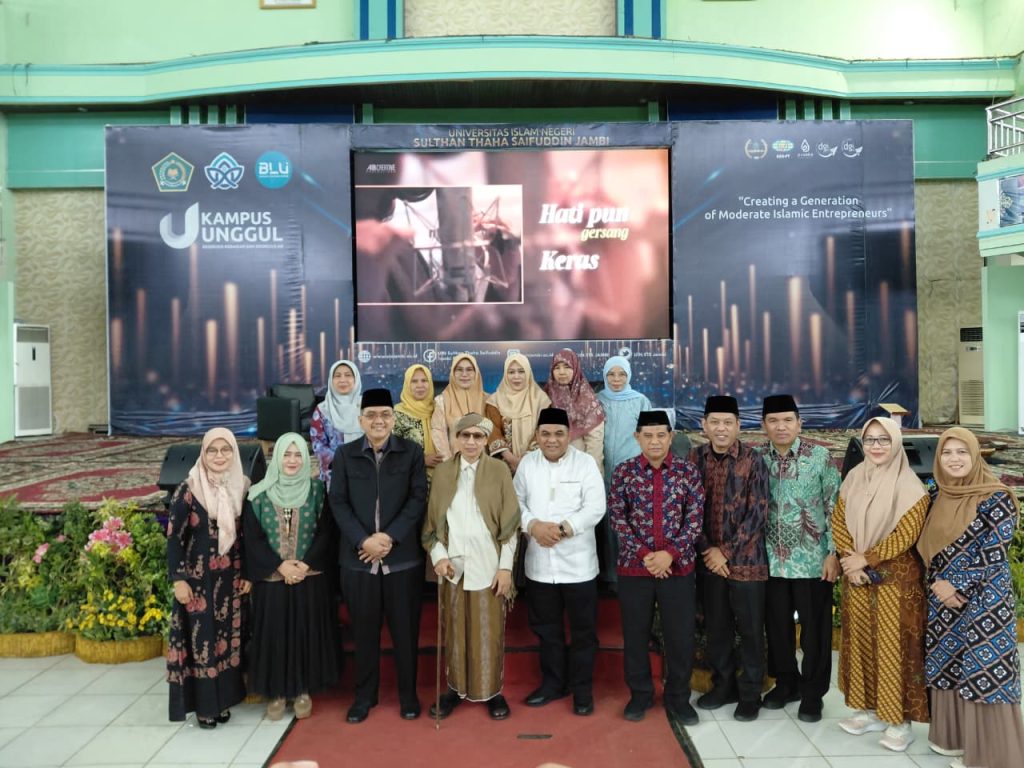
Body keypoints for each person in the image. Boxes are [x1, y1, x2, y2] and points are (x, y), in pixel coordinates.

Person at [917, 427, 1024, 768]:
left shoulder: (997, 497)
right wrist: (939, 584)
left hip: (984, 601)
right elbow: (929, 547)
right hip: (942, 597)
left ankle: (990, 754)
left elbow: (993, 554)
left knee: (984, 670)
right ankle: (953, 739)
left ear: (976, 455)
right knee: (947, 664)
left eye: (962, 452)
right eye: (947, 452)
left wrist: (956, 586)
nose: (954, 459)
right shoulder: (937, 494)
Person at [329, 389, 428, 723]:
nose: (378, 421)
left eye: (385, 414)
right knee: (364, 634)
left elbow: (418, 498)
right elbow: (338, 502)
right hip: (358, 561)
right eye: (371, 415)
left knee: (405, 633)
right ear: (361, 421)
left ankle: (408, 695)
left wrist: (389, 537)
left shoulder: (411, 452)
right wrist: (363, 540)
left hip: (402, 561)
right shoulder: (344, 455)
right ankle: (364, 697)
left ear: (393, 418)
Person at [833, 417, 929, 752]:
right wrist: (849, 560)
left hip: (895, 580)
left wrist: (865, 558)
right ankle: (870, 710)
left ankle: (899, 722)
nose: (876, 446)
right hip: (857, 578)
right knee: (861, 644)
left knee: (893, 648)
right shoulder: (854, 478)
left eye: (883, 439)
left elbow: (905, 535)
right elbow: (839, 520)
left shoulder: (911, 486)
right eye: (870, 440)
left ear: (896, 442)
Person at [608, 410, 705, 725]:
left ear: (671, 436)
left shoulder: (688, 472)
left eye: (661, 435)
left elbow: (694, 519)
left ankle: (678, 697)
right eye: (647, 436)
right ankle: (640, 694)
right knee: (635, 635)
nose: (654, 441)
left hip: (678, 570)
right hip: (634, 570)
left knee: (680, 636)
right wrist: (647, 555)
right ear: (637, 437)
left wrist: (670, 555)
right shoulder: (624, 472)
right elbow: (617, 518)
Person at [423, 412, 520, 721]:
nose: (471, 442)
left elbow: (510, 524)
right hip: (452, 567)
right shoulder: (443, 473)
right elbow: (432, 524)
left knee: (487, 632)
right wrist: (439, 557)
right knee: (454, 631)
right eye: (465, 435)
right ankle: (455, 689)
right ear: (456, 439)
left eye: (478, 436)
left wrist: (505, 568)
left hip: (489, 565)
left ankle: (492, 691)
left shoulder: (498, 470)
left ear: (485, 440)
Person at [514, 407, 606, 716]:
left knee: (583, 632)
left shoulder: (585, 464)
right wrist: (533, 526)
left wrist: (564, 529)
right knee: (547, 630)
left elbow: (596, 507)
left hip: (579, 566)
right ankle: (553, 684)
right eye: (545, 434)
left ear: (569, 435)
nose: (551, 440)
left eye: (558, 433)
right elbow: (516, 502)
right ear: (536, 436)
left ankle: (582, 690)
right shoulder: (527, 464)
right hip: (540, 566)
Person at [244, 433, 340, 721]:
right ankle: (276, 693)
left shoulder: (317, 491)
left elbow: (326, 531)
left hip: (309, 576)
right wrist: (280, 566)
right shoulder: (258, 494)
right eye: (286, 454)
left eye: (298, 455)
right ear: (276, 457)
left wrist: (304, 564)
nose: (292, 460)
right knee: (274, 634)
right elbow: (253, 538)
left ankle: (302, 690)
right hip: (272, 579)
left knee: (304, 633)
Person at [758, 395, 841, 723]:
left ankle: (812, 693)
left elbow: (835, 506)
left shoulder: (819, 457)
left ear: (799, 423)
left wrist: (833, 553)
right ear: (764, 425)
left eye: (787, 420)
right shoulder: (757, 459)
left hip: (813, 562)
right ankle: (786, 684)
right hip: (770, 562)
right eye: (773, 421)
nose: (781, 427)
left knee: (814, 633)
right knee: (777, 628)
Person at [689, 395, 769, 722]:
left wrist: (725, 551)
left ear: (738, 425)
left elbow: (758, 513)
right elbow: (689, 509)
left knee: (750, 631)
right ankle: (722, 686)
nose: (721, 428)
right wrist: (708, 550)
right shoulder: (694, 458)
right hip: (709, 563)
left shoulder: (754, 459)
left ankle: (750, 693)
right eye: (715, 422)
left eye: (727, 422)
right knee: (717, 629)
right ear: (704, 425)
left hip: (747, 563)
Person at [166, 427, 251, 727]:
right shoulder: (189, 489)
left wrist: (248, 574)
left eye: (225, 450)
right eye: (212, 450)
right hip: (197, 583)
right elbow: (174, 538)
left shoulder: (242, 486)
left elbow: (248, 536)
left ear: (234, 453)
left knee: (227, 641)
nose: (219, 456)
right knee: (202, 641)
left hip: (231, 580)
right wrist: (178, 579)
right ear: (203, 453)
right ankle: (205, 708)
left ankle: (223, 701)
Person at [595, 355, 652, 582]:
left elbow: (650, 436)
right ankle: (610, 575)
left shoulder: (640, 401)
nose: (616, 379)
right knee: (607, 523)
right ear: (604, 376)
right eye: (611, 374)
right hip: (602, 472)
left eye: (621, 374)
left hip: (632, 475)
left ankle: (632, 574)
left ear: (629, 376)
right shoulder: (597, 400)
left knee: (631, 521)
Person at [430, 353, 504, 460]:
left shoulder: (490, 401)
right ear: (453, 373)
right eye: (459, 370)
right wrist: (449, 463)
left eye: (469, 369)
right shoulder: (442, 401)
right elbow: (438, 433)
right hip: (455, 462)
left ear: (476, 373)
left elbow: (496, 434)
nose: (464, 374)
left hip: (485, 464)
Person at [543, 349, 605, 474]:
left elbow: (595, 445)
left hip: (580, 469)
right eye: (557, 367)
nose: (562, 372)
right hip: (549, 469)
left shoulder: (587, 399)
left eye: (567, 367)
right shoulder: (545, 397)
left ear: (576, 368)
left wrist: (591, 476)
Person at [487, 353, 551, 474]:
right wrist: (511, 459)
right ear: (505, 375)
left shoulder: (542, 400)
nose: (516, 376)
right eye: (511, 372)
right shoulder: (494, 401)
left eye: (521, 371)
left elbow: (545, 429)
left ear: (528, 373)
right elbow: (493, 430)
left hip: (535, 462)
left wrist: (524, 460)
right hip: (504, 465)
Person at [310, 360, 364, 484]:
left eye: (348, 375)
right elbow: (318, 444)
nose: (342, 380)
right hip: (334, 472)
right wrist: (343, 460)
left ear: (356, 379)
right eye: (337, 376)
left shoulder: (366, 407)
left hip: (366, 469)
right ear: (331, 380)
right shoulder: (322, 409)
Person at [393, 364, 445, 481]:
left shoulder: (439, 409)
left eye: (424, 380)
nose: (420, 385)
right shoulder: (397, 414)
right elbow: (390, 453)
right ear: (407, 384)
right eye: (414, 381)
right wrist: (422, 460)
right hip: (410, 481)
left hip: (441, 481)